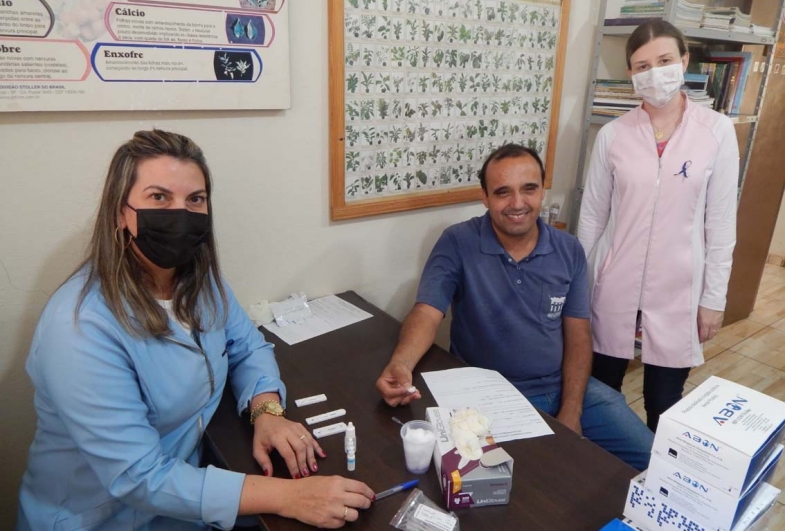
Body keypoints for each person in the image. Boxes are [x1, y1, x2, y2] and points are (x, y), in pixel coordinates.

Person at [17, 130, 374, 530]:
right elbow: (139, 478)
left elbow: (248, 346)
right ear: (120, 212)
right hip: (107, 516)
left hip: (190, 486)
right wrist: (291, 497)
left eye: (195, 200)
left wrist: (266, 410)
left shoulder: (200, 282)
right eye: (158, 198)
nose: (180, 214)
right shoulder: (79, 328)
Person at [375, 144, 654, 472]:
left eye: (529, 189)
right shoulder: (457, 242)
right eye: (503, 192)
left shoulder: (569, 250)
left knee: (657, 462)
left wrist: (571, 410)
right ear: (485, 197)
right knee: (530, 487)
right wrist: (401, 364)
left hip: (566, 387)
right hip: (488, 398)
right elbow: (427, 312)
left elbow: (578, 336)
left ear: (543, 191)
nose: (518, 203)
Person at [577, 21, 738, 432]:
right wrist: (580, 289)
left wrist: (713, 299)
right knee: (601, 391)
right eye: (642, 65)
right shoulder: (613, 135)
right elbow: (593, 215)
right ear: (631, 73)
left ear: (684, 61)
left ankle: (655, 481)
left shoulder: (716, 132)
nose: (654, 73)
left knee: (663, 401)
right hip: (613, 282)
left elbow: (720, 225)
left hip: (679, 287)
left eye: (664, 61)